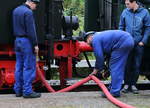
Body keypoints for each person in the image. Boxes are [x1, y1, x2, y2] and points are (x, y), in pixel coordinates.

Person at [84, 30, 134, 97]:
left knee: (116, 67)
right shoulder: (100, 36)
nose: (87, 44)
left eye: (86, 41)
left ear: (90, 37)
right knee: (115, 67)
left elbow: (99, 57)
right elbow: (103, 56)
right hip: (127, 40)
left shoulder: (95, 39)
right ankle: (112, 88)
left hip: (123, 41)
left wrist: (97, 70)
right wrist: (99, 68)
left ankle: (115, 91)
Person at [119, 0, 150, 94]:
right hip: (127, 43)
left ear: (134, 2)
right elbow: (121, 27)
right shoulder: (125, 12)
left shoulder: (144, 12)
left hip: (139, 44)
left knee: (136, 65)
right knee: (127, 64)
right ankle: (126, 84)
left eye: (128, 4)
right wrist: (122, 40)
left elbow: (148, 27)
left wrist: (143, 41)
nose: (126, 6)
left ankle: (133, 85)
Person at [13, 0, 41, 98]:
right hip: (26, 41)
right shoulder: (28, 12)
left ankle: (18, 90)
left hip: (17, 40)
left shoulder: (16, 10)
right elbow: (31, 30)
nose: (35, 7)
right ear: (31, 2)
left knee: (19, 66)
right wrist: (35, 44)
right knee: (28, 66)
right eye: (36, 5)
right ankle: (27, 91)